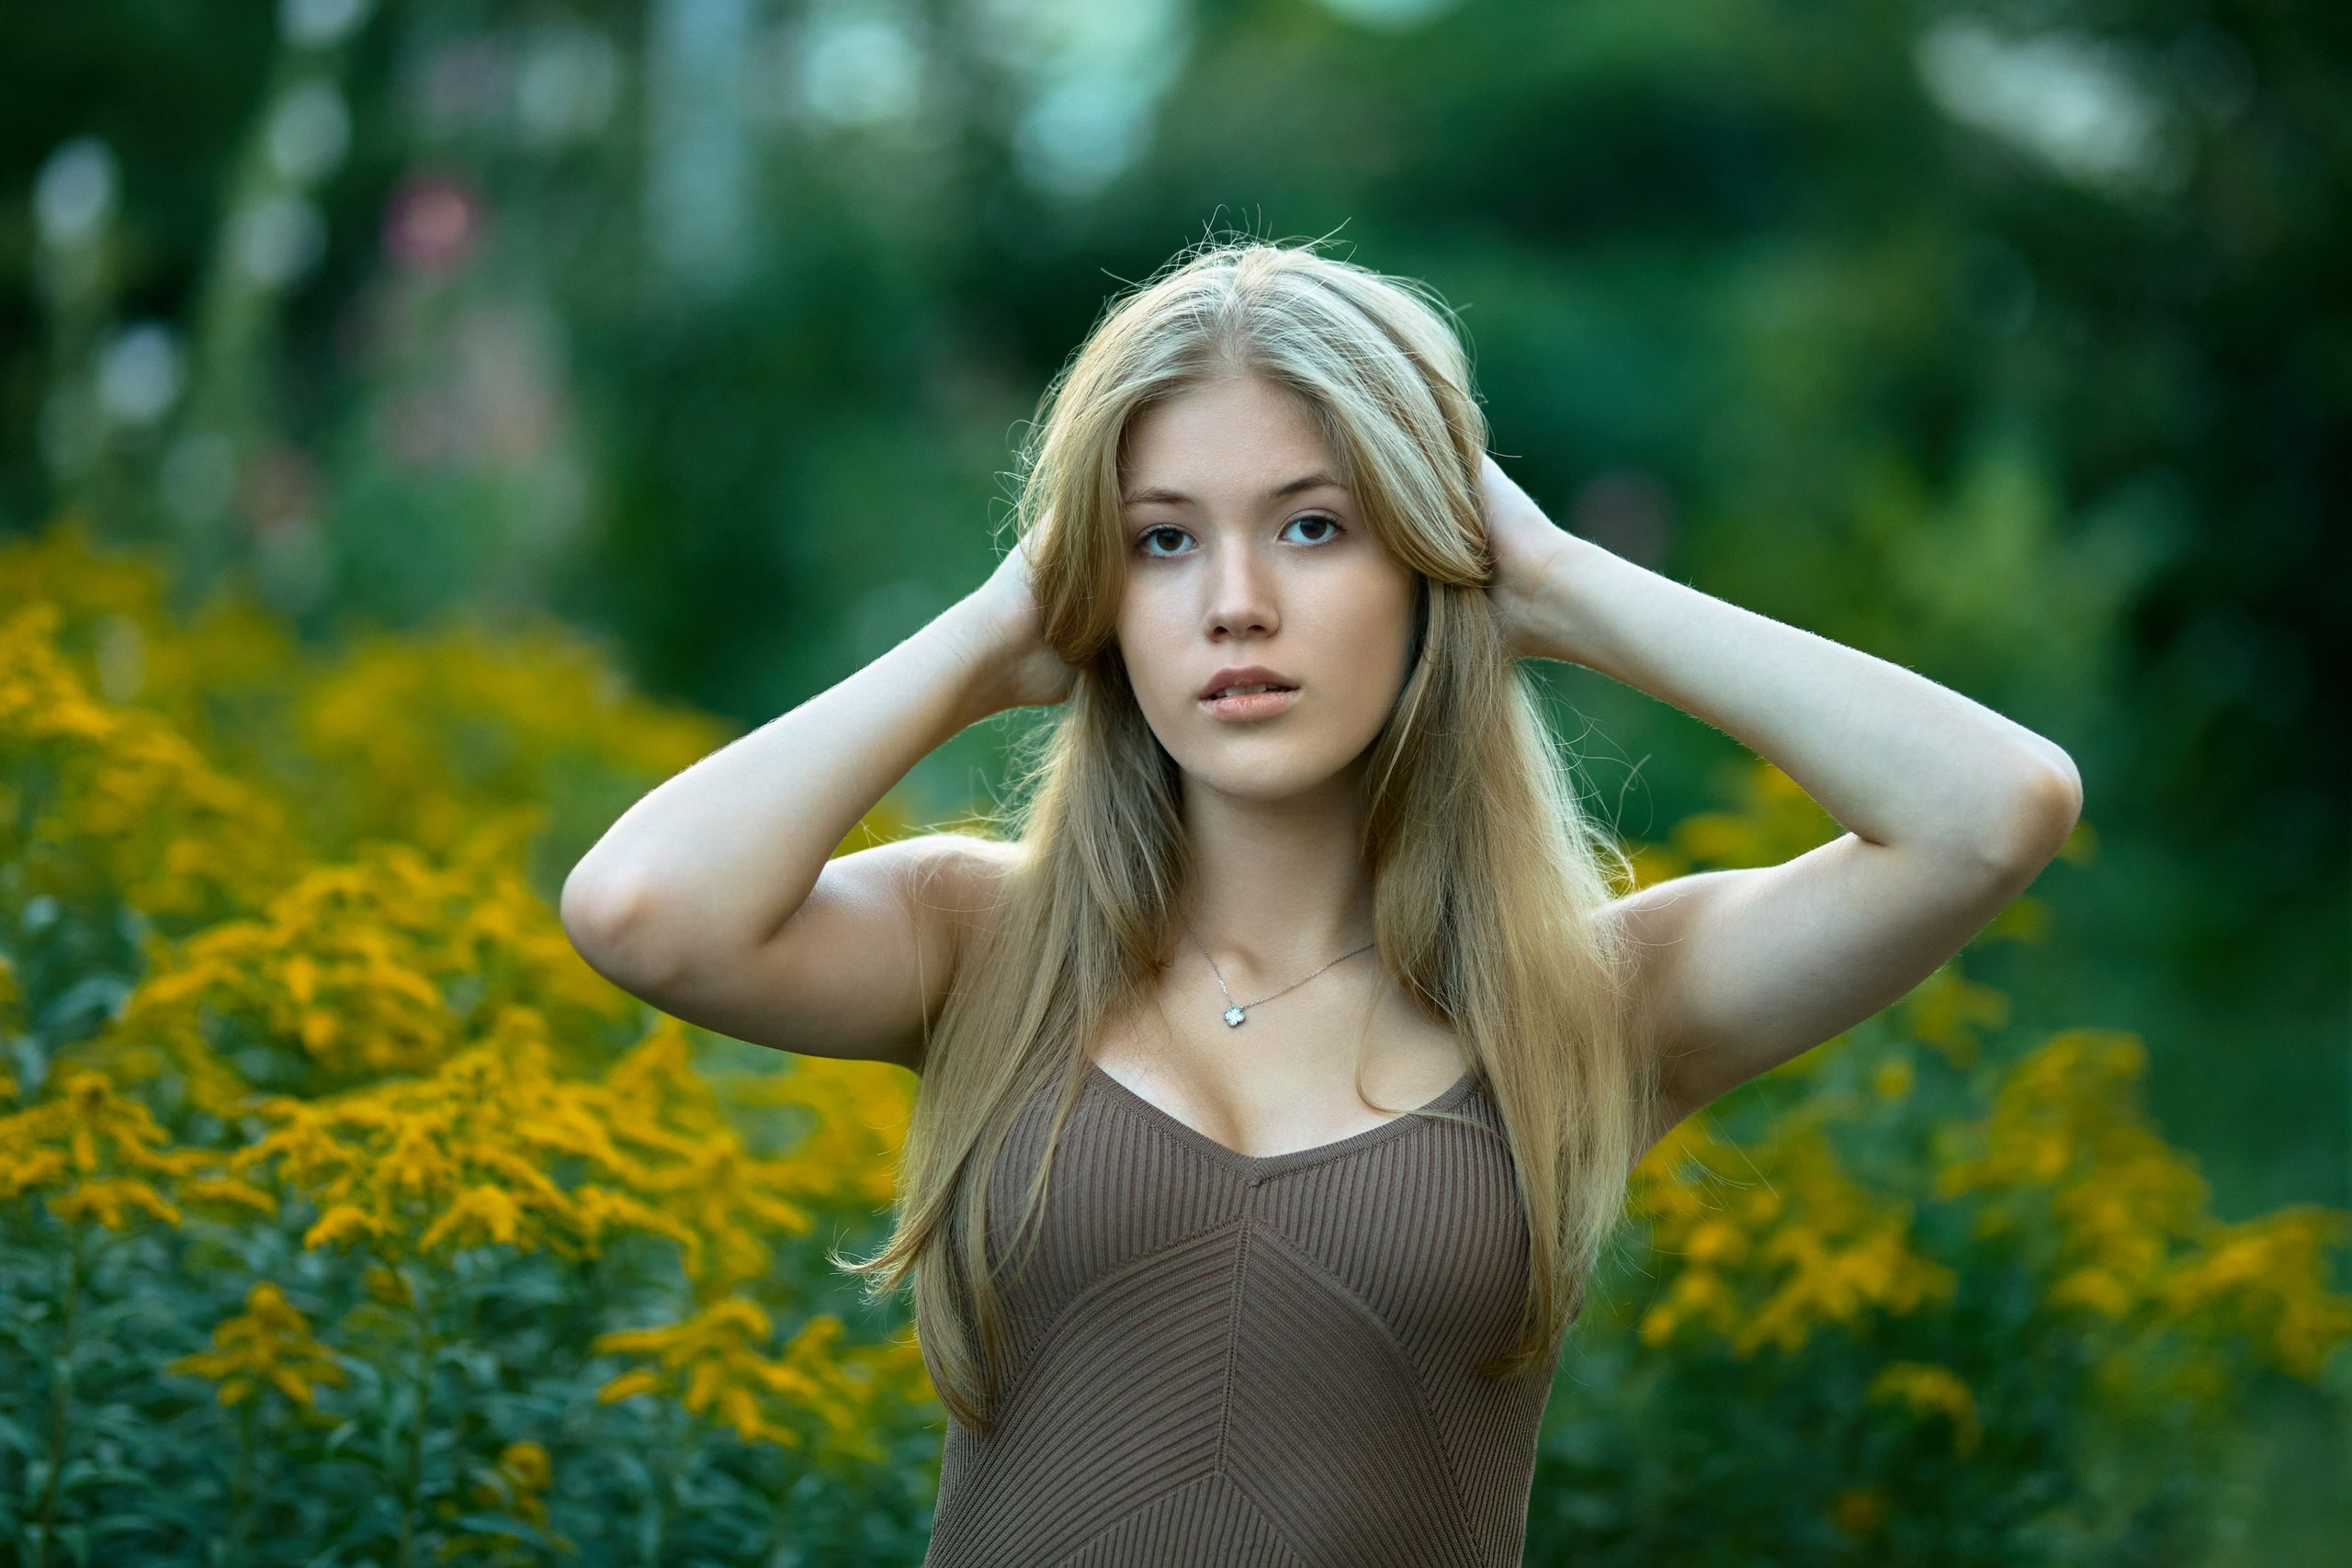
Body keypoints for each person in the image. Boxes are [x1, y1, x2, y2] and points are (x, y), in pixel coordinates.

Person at [559, 240, 2082, 1566]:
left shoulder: (1589, 1001)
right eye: (1163, 540)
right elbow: (640, 908)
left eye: (1314, 524)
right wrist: (989, 632)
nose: (1235, 602)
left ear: (1428, 556)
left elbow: (1990, 810)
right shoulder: (980, 942)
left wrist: (1551, 582)